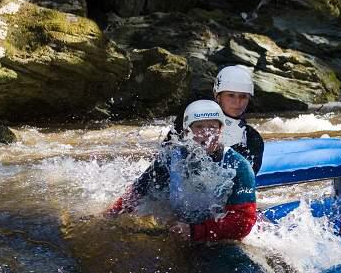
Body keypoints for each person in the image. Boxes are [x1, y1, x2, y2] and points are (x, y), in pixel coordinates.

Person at [108, 100, 257, 243]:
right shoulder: (169, 159)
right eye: (199, 127)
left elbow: (243, 222)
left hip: (218, 239)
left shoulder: (238, 166)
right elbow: (138, 192)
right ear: (187, 131)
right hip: (181, 229)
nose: (206, 133)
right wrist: (110, 215)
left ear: (221, 130)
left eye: (212, 127)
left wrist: (195, 231)